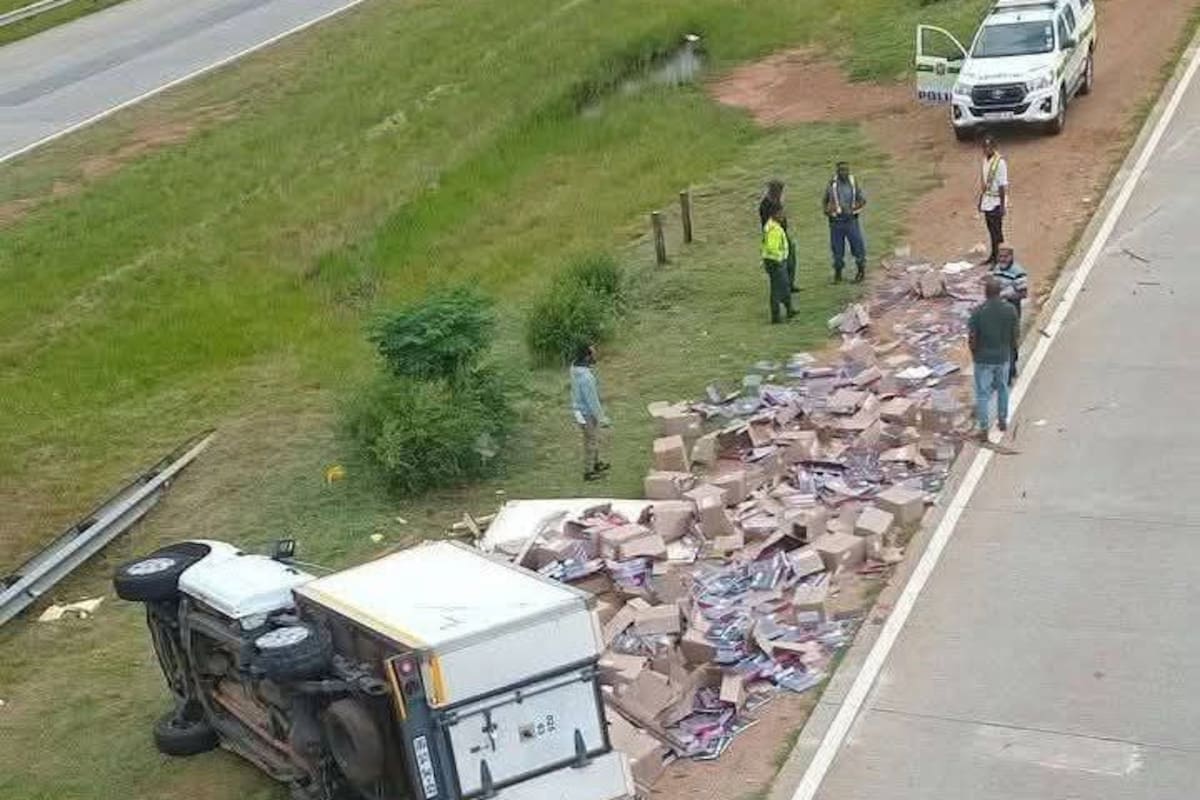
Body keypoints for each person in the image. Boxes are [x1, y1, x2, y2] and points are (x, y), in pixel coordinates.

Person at [969, 277, 1019, 439]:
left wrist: (975, 354)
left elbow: (972, 338)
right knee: (1003, 388)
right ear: (1000, 292)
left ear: (986, 293)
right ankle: (1002, 419)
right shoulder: (1010, 310)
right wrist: (1011, 352)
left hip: (983, 358)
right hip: (1003, 356)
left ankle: (983, 428)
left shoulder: (977, 312)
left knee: (982, 394)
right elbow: (1015, 335)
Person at [569, 344, 610, 481]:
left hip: (578, 410)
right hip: (586, 413)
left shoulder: (574, 368)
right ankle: (589, 471)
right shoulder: (587, 378)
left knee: (592, 438)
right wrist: (602, 418)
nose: (595, 355)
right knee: (590, 440)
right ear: (587, 357)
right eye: (593, 353)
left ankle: (596, 463)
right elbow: (592, 401)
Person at [822, 162, 867, 283]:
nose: (843, 173)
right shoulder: (832, 184)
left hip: (851, 221)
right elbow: (825, 202)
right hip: (836, 222)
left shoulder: (853, 182)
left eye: (846, 170)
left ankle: (861, 272)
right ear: (837, 172)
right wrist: (828, 211)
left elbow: (862, 200)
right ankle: (838, 274)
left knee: (857, 246)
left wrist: (852, 210)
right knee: (837, 250)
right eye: (841, 170)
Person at [992, 243, 1028, 384]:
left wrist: (1006, 295)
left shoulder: (1018, 272)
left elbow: (1023, 293)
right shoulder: (996, 269)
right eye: (1000, 256)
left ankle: (1008, 373)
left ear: (1011, 256)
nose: (1002, 259)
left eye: (1005, 256)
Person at [758, 179, 798, 292]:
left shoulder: (776, 201)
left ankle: (790, 284)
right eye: (779, 190)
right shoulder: (766, 204)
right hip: (773, 236)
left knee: (791, 258)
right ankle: (783, 286)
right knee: (780, 262)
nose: (781, 193)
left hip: (782, 233)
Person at [978, 135, 1009, 266]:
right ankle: (993, 255)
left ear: (994, 147)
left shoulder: (1000, 162)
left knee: (997, 232)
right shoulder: (985, 160)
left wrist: (1002, 205)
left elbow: (1002, 185)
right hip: (987, 199)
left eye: (989, 147)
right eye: (984, 147)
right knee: (991, 230)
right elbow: (984, 182)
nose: (986, 149)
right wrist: (981, 200)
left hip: (996, 200)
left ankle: (1001, 259)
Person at [761, 202, 794, 324]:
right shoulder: (773, 229)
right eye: (780, 213)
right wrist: (780, 258)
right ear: (774, 214)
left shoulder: (772, 225)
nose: (783, 215)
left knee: (784, 286)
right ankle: (776, 316)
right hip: (775, 262)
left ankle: (789, 309)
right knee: (777, 289)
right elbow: (772, 247)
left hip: (775, 261)